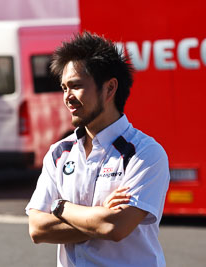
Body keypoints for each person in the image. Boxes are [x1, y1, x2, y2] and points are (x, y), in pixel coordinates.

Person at [26, 32, 170, 267]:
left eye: (76, 86)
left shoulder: (145, 153)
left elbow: (114, 227)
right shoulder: (59, 152)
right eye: (64, 88)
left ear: (110, 88)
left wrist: (59, 207)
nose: (67, 97)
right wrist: (99, 214)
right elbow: (37, 229)